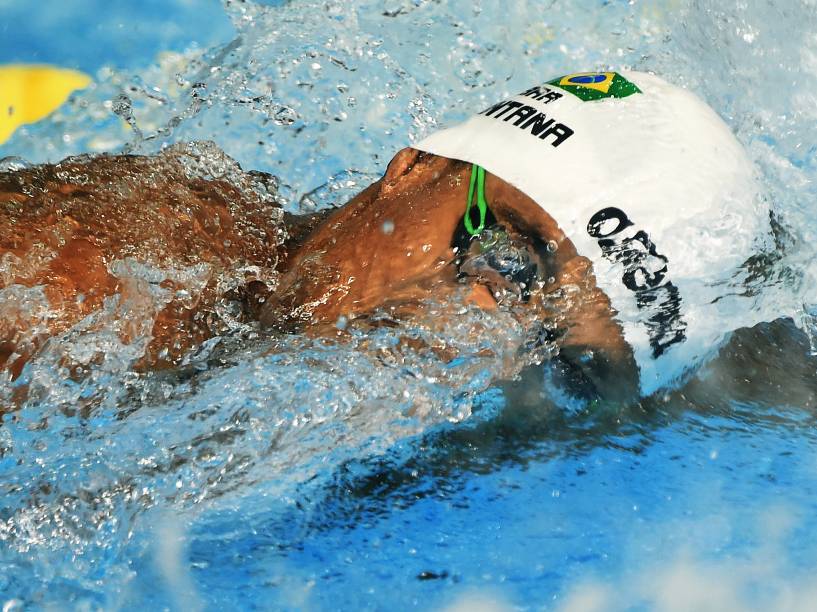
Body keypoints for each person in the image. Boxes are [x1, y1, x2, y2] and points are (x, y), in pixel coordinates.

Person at [0, 71, 769, 399]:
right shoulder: (86, 284)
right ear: (417, 167)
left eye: (565, 362)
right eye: (506, 257)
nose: (485, 339)